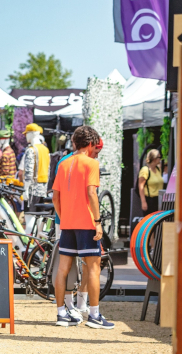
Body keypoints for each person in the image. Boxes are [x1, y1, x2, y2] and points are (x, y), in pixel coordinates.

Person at [52, 126, 114, 330]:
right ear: (90, 144)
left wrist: (64, 217)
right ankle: (94, 315)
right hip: (87, 223)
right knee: (93, 268)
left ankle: (61, 313)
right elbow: (91, 193)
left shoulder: (64, 163)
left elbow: (55, 197)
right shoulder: (91, 163)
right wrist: (97, 222)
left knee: (63, 269)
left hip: (67, 224)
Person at [139, 149, 163, 216]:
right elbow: (141, 186)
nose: (160, 159)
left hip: (158, 199)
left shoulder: (158, 169)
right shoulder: (145, 170)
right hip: (150, 200)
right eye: (159, 157)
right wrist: (143, 202)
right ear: (154, 158)